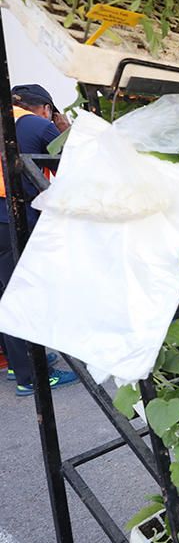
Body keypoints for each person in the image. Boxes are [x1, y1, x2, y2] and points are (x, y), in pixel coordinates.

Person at [2, 84, 77, 396]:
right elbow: (77, 163)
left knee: (6, 289)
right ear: (46, 107)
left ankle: (17, 362)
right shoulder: (36, 124)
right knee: (23, 291)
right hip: (10, 215)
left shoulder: (6, 120)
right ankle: (30, 376)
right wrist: (66, 131)